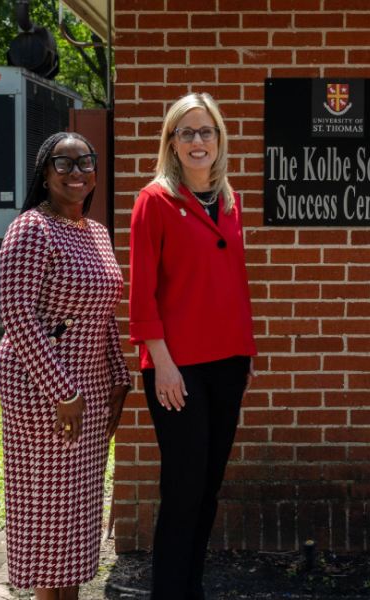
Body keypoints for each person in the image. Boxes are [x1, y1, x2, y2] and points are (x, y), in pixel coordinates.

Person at [129, 92, 257, 600]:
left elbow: (234, 282)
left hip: (228, 364)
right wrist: (160, 363)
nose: (198, 141)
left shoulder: (229, 200)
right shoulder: (154, 200)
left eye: (206, 132)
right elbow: (141, 293)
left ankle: (192, 590)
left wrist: (246, 352)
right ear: (172, 142)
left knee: (208, 490)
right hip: (176, 368)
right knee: (182, 491)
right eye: (187, 133)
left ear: (219, 139)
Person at [0, 132, 131, 600]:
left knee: (76, 511)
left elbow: (104, 310)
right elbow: (16, 313)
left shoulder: (95, 232)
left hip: (89, 389)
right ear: (44, 172)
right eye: (64, 163)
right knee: (49, 510)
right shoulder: (31, 228)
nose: (77, 172)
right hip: (41, 389)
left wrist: (119, 377)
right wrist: (63, 392)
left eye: (85, 162)